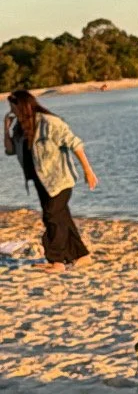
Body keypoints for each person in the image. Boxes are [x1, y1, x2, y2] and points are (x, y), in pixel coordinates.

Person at [3, 89, 97, 265]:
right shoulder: (20, 128)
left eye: (13, 107)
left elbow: (75, 143)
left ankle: (56, 260)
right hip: (41, 182)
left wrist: (88, 170)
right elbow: (9, 150)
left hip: (59, 179)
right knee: (62, 218)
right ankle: (82, 256)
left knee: (51, 217)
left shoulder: (49, 122)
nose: (11, 111)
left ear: (22, 105)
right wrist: (6, 127)